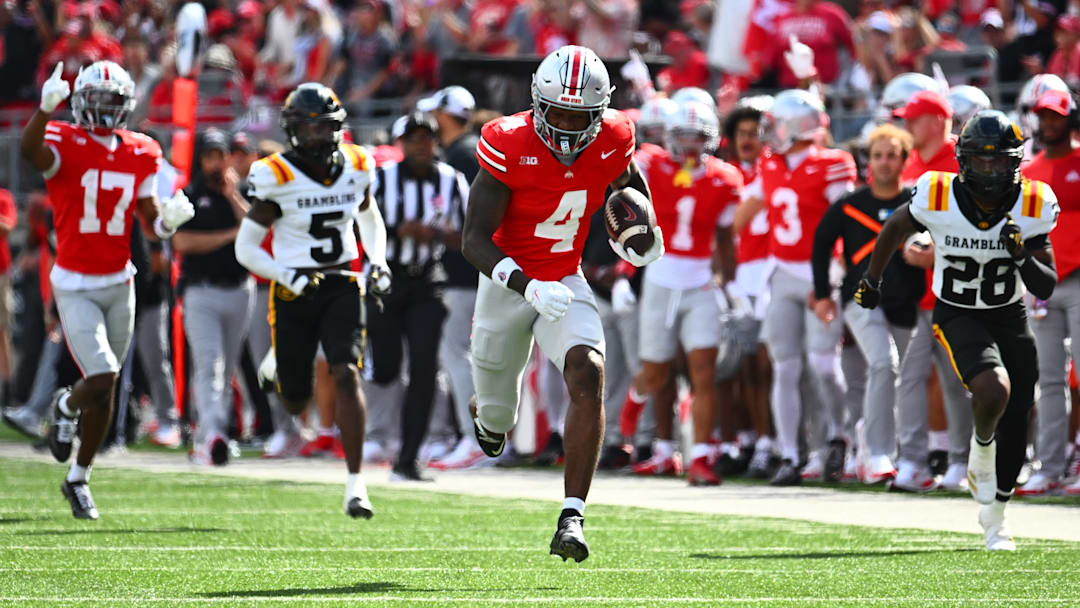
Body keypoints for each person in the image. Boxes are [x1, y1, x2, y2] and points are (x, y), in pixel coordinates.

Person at [463, 45, 663, 562]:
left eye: (581, 115)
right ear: (538, 104)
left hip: (565, 277)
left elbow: (628, 189)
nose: (570, 126)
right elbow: (474, 240)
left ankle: (572, 515)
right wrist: (527, 286)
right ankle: (486, 413)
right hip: (506, 284)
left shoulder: (615, 135)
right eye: (560, 113)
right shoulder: (507, 139)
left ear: (599, 112)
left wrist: (644, 233)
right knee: (498, 419)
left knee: (588, 369)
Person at [856, 110, 1059, 551]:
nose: (989, 170)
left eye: (998, 161)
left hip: (1010, 316)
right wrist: (872, 278)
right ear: (963, 160)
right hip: (958, 311)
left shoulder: (1033, 202)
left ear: (1015, 161)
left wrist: (1021, 254)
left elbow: (1045, 283)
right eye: (981, 161)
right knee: (993, 389)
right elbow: (894, 226)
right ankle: (978, 447)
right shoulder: (936, 193)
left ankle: (995, 518)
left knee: (1019, 413)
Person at [20, 61, 195, 519]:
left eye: (112, 102)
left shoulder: (141, 151)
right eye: (95, 100)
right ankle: (63, 402)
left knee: (108, 385)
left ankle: (78, 477)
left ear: (126, 106)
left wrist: (168, 223)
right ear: (80, 103)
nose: (102, 110)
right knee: (101, 377)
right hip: (76, 281)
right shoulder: (63, 138)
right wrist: (43, 110)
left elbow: (150, 222)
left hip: (121, 280)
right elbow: (29, 152)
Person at [234, 82, 392, 519]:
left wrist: (376, 260)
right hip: (292, 290)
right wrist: (286, 274)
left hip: (342, 281)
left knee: (346, 372)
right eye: (312, 128)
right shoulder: (275, 174)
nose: (321, 136)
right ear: (292, 130)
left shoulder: (359, 163)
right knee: (294, 396)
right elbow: (245, 249)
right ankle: (276, 371)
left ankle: (356, 483)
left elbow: (368, 214)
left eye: (327, 127)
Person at [733, 89, 856, 486]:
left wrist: (831, 280)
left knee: (822, 364)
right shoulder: (770, 166)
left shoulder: (833, 164)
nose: (769, 132)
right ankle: (791, 454)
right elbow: (743, 213)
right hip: (781, 273)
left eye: (775, 123)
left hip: (821, 274)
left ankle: (839, 434)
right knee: (784, 368)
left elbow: (848, 226)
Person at [633, 100, 741, 486]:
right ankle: (661, 444)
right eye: (684, 136)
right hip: (660, 276)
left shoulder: (725, 178)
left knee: (704, 372)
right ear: (670, 137)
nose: (692, 145)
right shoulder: (650, 163)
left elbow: (726, 239)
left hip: (699, 281)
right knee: (657, 370)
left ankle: (699, 456)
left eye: (699, 137)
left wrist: (732, 286)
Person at [810, 124, 925, 486]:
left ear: (905, 160)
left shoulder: (917, 202)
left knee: (907, 378)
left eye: (892, 155)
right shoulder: (849, 204)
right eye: (878, 155)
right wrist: (823, 294)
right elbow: (820, 244)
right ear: (867, 161)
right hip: (861, 299)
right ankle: (877, 452)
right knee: (882, 362)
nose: (885, 163)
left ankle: (906, 454)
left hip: (907, 303)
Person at [367, 112, 468, 481]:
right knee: (387, 367)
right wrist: (398, 230)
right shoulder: (381, 180)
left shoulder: (452, 181)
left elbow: (470, 234)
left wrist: (436, 236)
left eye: (427, 138)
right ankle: (380, 435)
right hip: (387, 279)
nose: (421, 145)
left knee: (425, 368)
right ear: (401, 144)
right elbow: (360, 226)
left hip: (428, 281)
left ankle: (408, 458)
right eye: (413, 139)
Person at [896, 89, 974, 491]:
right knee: (909, 377)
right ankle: (912, 460)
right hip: (915, 293)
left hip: (956, 289)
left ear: (936, 121)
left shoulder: (963, 158)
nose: (907, 127)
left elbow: (978, 222)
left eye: (913, 119)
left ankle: (961, 461)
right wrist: (908, 246)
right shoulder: (910, 163)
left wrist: (938, 251)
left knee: (955, 380)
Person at [173, 128, 256, 466]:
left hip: (239, 289)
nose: (216, 163)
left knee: (227, 369)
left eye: (220, 155)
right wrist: (228, 236)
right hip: (201, 290)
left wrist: (234, 196)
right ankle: (212, 436)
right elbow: (181, 243)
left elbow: (255, 231)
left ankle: (212, 433)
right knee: (209, 364)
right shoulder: (188, 195)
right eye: (210, 155)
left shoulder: (240, 192)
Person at [417, 85, 485, 470]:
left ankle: (474, 438)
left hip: (463, 270)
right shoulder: (471, 150)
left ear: (445, 115)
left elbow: (462, 221)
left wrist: (434, 233)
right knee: (463, 354)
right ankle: (470, 436)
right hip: (476, 269)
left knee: (457, 354)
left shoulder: (461, 155)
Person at [1017, 89, 1080, 496]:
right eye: (1044, 116)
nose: (1050, 123)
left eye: (1056, 115)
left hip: (1079, 279)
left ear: (1070, 117)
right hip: (1043, 283)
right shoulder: (1032, 170)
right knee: (1050, 380)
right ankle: (1050, 465)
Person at [722, 99, 776, 479]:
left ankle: (769, 441)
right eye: (742, 133)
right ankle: (739, 441)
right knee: (734, 368)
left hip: (769, 276)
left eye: (755, 133)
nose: (748, 139)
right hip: (734, 277)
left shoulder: (774, 169)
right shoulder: (724, 173)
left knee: (765, 366)